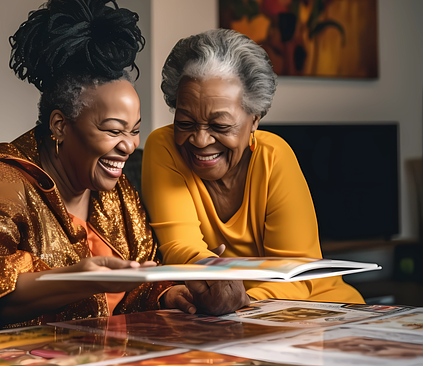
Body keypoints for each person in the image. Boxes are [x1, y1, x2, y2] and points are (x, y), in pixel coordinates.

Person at [0, 0, 220, 339]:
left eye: (134, 131)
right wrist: (71, 281)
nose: (129, 146)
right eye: (113, 130)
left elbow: (135, 284)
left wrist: (169, 293)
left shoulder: (117, 194)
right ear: (60, 125)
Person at [142, 29, 364, 313]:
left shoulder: (274, 157)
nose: (199, 140)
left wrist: (244, 300)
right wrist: (211, 276)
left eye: (220, 126)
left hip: (315, 307)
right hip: (222, 316)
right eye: (185, 122)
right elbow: (180, 247)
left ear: (254, 120)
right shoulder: (164, 147)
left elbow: (297, 272)